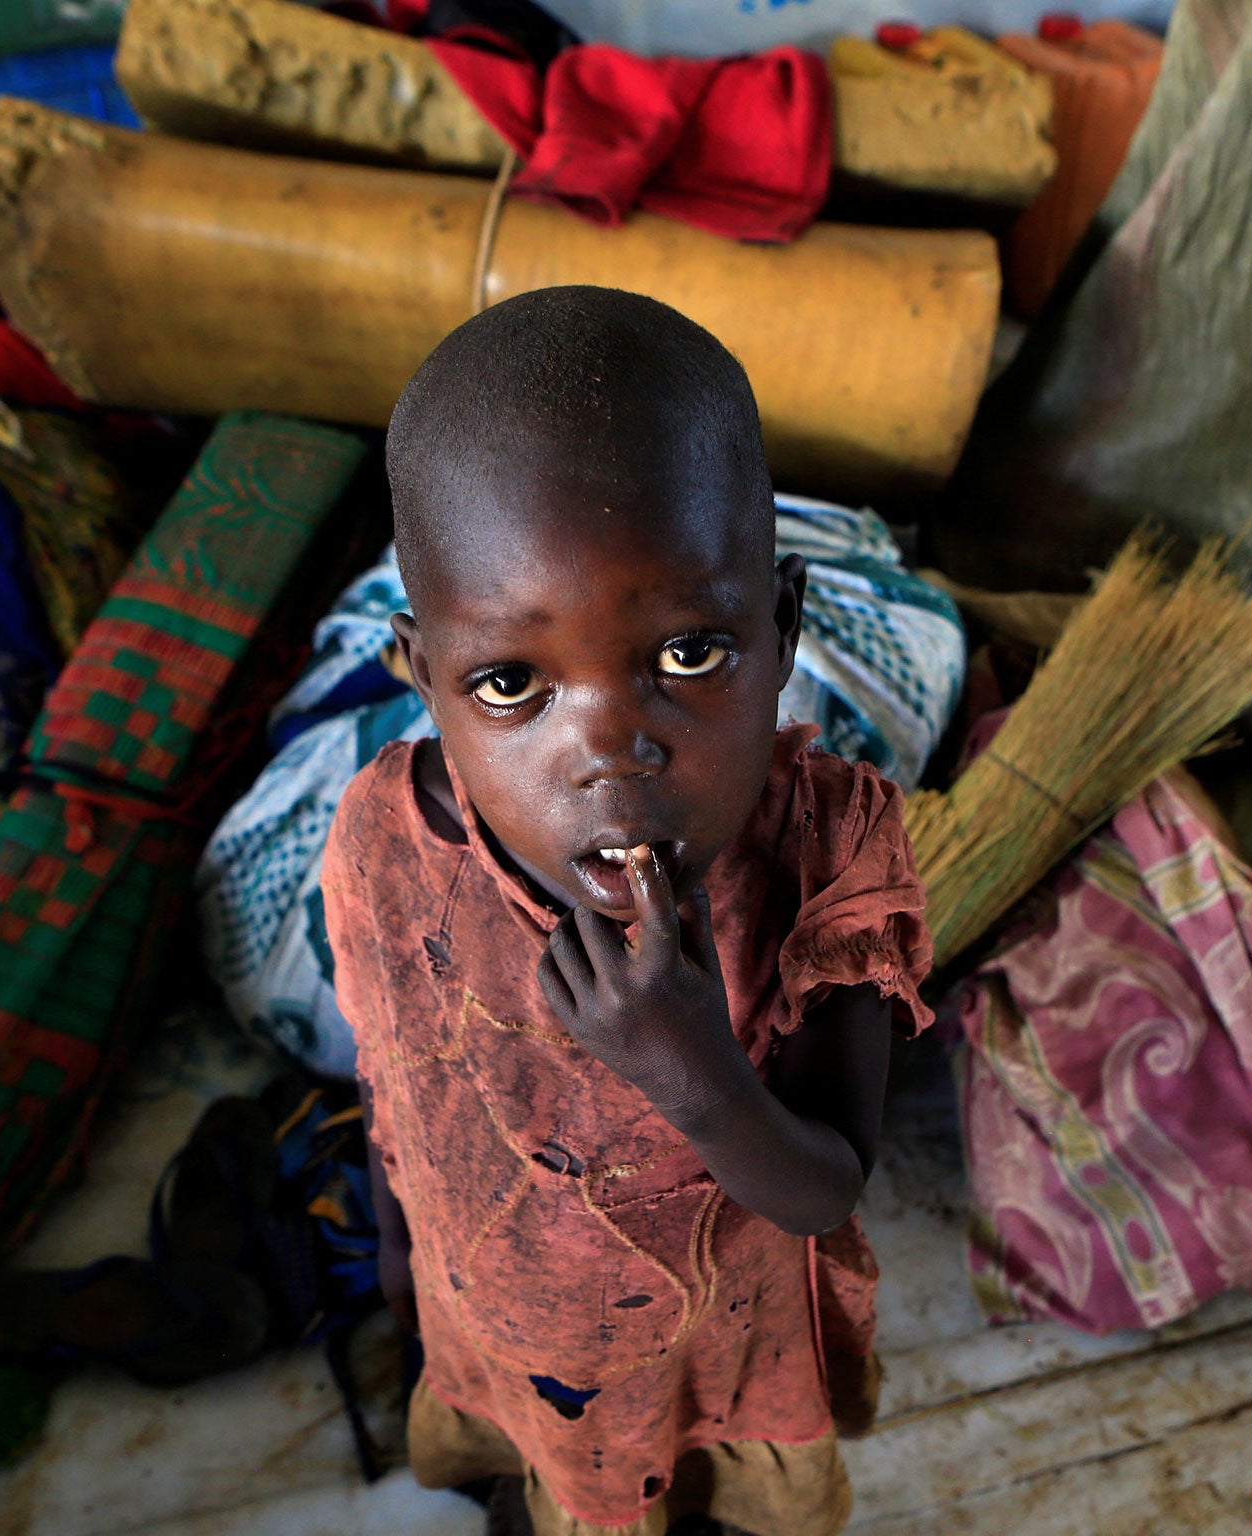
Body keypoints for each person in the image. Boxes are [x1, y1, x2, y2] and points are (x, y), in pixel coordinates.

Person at [322, 286, 936, 1536]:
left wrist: (691, 1066)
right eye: (510, 683)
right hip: (500, 1324)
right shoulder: (385, 840)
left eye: (690, 655)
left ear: (782, 628)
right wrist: (402, 1263)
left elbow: (824, 1189)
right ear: (422, 678)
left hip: (723, 1351)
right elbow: (396, 1080)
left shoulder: (827, 854)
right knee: (540, 1488)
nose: (608, 751)